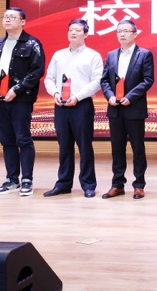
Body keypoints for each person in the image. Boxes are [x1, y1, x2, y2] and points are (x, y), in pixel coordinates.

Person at [0, 7, 46, 196]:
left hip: (21, 100)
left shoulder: (32, 44)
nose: (7, 20)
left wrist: (16, 90)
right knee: (7, 140)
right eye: (5, 17)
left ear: (23, 22)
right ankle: (11, 179)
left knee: (23, 139)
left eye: (12, 17)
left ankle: (27, 179)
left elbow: (36, 71)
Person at [42, 19, 103, 198]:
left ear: (86, 34)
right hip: (61, 105)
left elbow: (97, 81)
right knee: (64, 146)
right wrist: (55, 93)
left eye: (77, 30)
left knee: (85, 146)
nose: (73, 33)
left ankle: (88, 184)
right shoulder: (58, 55)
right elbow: (49, 78)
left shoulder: (93, 56)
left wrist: (78, 97)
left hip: (82, 105)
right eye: (70, 30)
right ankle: (63, 183)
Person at [100, 19, 154, 200]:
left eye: (126, 31)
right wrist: (110, 96)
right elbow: (104, 80)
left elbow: (148, 80)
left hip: (134, 108)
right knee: (117, 148)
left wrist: (130, 97)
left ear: (135, 34)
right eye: (119, 31)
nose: (122, 34)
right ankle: (117, 184)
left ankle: (139, 184)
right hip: (115, 108)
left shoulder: (144, 54)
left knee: (137, 148)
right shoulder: (111, 55)